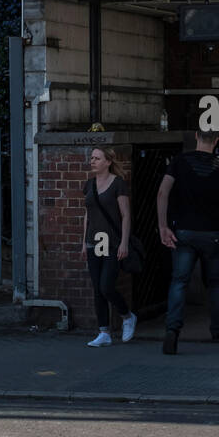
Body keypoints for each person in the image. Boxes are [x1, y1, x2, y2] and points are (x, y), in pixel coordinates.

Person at [157, 130, 219, 354]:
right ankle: (218, 329)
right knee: (216, 282)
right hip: (211, 232)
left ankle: (172, 330)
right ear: (216, 141)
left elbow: (163, 193)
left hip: (183, 231)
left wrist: (163, 226)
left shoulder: (179, 162)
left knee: (179, 281)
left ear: (197, 137)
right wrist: (218, 226)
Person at [81, 147, 138, 347]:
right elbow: (88, 214)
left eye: (97, 158)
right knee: (97, 288)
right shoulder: (89, 184)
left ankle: (127, 316)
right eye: (91, 158)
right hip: (94, 242)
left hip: (112, 242)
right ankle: (103, 332)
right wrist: (83, 242)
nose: (92, 161)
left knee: (106, 286)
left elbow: (126, 215)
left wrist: (124, 242)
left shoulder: (117, 184)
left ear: (107, 162)